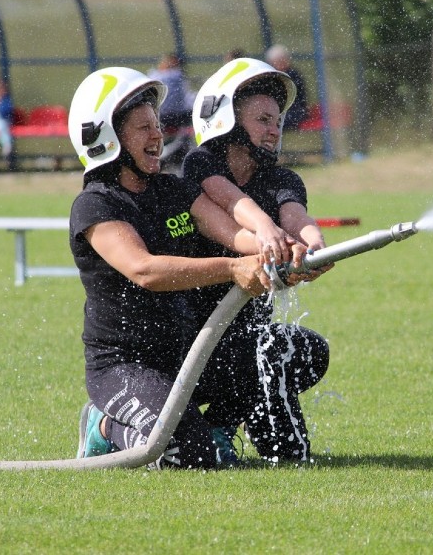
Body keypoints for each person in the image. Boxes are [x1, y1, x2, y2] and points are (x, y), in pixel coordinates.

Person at [68, 67, 308, 469]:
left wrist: (282, 251)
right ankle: (105, 426)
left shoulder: (173, 190)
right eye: (143, 127)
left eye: (157, 125)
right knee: (185, 456)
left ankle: (213, 429)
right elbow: (145, 270)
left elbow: (236, 238)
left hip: (186, 355)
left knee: (285, 353)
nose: (157, 136)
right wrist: (234, 270)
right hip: (125, 366)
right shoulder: (96, 205)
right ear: (107, 136)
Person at [183, 57, 331, 462]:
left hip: (244, 338)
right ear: (226, 121)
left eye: (278, 121)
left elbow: (298, 219)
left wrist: (315, 248)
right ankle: (286, 457)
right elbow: (230, 198)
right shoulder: (200, 165)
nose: (273, 129)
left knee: (307, 351)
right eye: (263, 119)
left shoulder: (283, 179)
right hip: (188, 342)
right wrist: (266, 231)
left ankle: (224, 426)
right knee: (265, 353)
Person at [265, 44, 308, 130]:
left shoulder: (292, 75)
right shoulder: (272, 76)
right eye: (274, 62)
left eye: (280, 60)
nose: (277, 64)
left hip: (293, 112)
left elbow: (297, 99)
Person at [147, 53, 193, 129]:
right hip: (181, 117)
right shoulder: (180, 77)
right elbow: (189, 97)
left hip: (163, 117)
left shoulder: (157, 77)